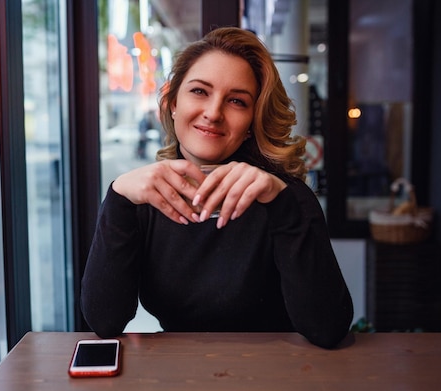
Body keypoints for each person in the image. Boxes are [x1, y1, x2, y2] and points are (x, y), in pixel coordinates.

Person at [81, 27, 353, 349]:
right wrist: (118, 197)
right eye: (199, 91)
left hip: (276, 380)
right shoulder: (144, 198)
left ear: (252, 122)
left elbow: (328, 328)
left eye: (237, 101)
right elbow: (104, 320)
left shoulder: (285, 197)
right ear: (171, 102)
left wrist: (282, 205)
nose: (213, 113)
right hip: (177, 381)